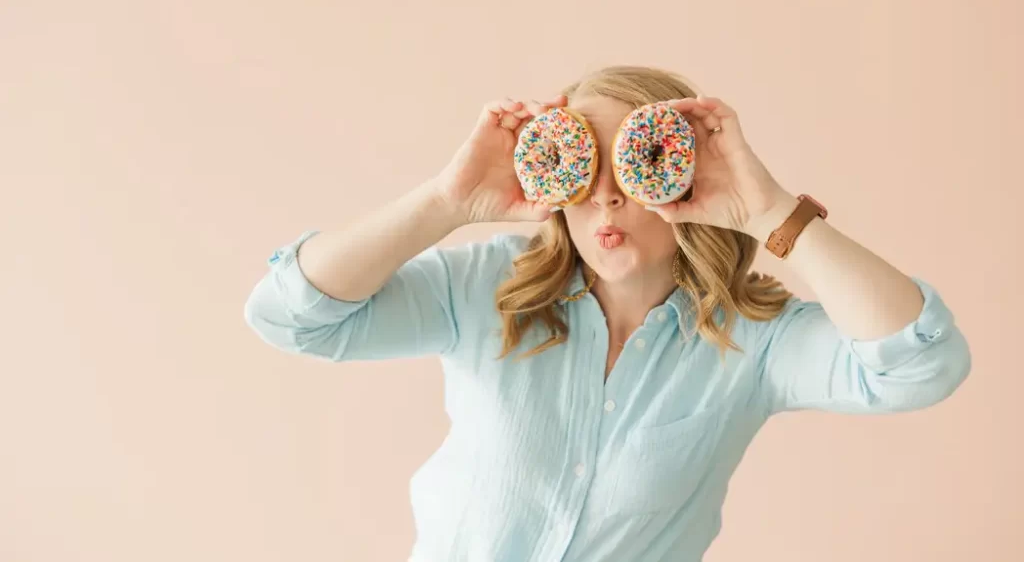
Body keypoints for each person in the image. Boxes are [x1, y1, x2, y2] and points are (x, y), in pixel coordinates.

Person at [243, 65, 971, 562]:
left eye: (635, 164)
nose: (606, 195)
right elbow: (289, 315)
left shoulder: (754, 340)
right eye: (583, 164)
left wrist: (771, 211)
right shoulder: (485, 287)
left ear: (687, 175)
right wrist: (445, 201)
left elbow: (922, 364)